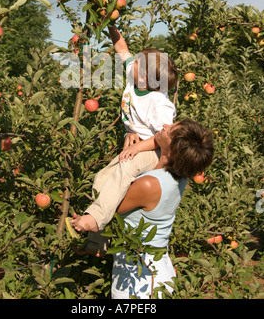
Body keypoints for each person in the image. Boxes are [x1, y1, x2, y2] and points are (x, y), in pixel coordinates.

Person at [66, 23, 178, 255]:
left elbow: (165, 137)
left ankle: (95, 218)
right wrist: (108, 21)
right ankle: (98, 244)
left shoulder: (160, 102)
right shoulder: (135, 76)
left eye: (137, 62)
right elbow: (121, 47)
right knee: (102, 179)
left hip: (153, 150)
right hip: (138, 144)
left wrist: (138, 149)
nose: (131, 62)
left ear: (145, 76)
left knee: (125, 169)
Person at [110, 118, 214, 299]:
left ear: (174, 151)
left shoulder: (149, 185)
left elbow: (109, 204)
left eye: (171, 131)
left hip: (138, 281)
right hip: (158, 270)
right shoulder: (178, 175)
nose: (165, 125)